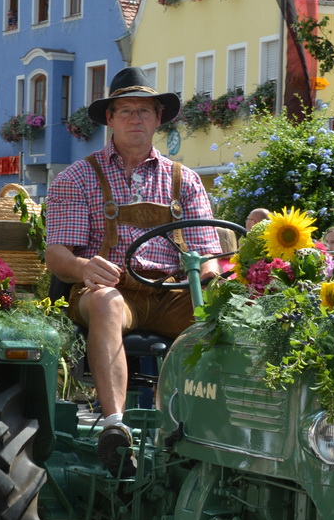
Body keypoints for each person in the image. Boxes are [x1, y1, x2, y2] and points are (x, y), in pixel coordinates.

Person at [45, 67, 223, 474]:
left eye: (144, 110)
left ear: (159, 118)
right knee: (106, 303)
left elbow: (207, 253)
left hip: (172, 291)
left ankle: (199, 427)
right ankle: (115, 427)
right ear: (110, 118)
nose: (135, 119)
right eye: (125, 110)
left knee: (222, 315)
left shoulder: (186, 180)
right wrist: (83, 266)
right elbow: (57, 255)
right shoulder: (78, 176)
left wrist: (210, 281)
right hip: (111, 289)